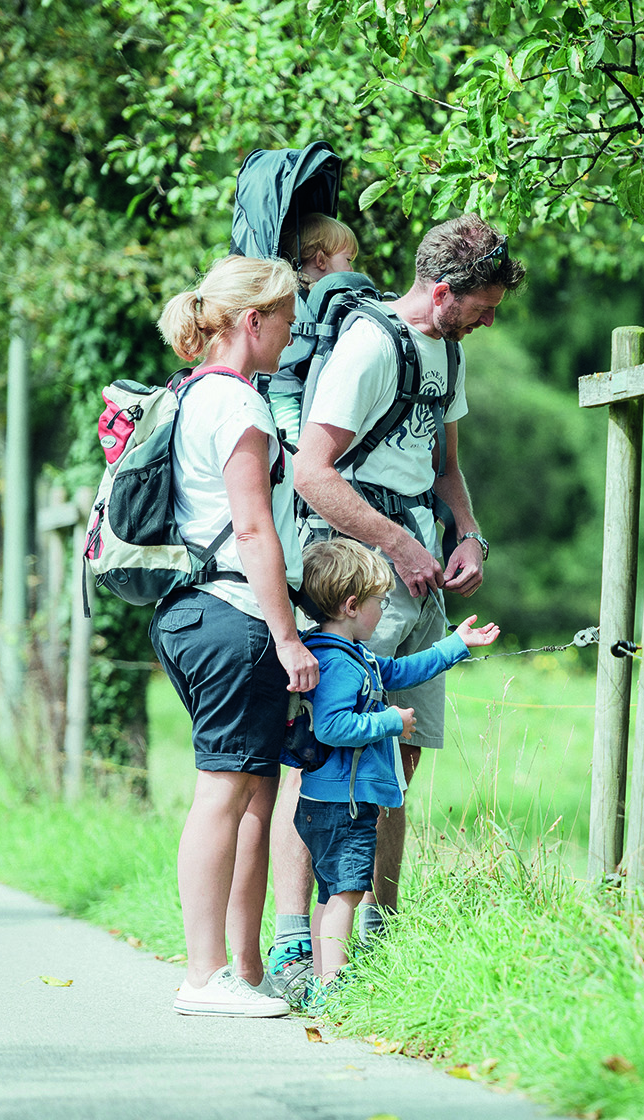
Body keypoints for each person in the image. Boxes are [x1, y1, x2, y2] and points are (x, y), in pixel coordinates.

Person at [265, 215, 526, 1002]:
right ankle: (293, 943)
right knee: (325, 764)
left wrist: (469, 536)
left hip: (417, 572)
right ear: (442, 290)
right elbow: (313, 472)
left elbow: (445, 467)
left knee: (397, 761)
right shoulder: (371, 346)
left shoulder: (450, 349)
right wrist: (398, 547)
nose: (491, 319)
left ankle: (379, 936)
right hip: (354, 571)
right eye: (483, 304)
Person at [152, 255, 319, 1018]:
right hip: (234, 618)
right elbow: (253, 529)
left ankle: (237, 969)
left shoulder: (193, 395)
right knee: (224, 790)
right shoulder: (242, 408)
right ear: (253, 321)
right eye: (286, 319)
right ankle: (203, 974)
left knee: (250, 788)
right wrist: (288, 637)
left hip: (193, 613)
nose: (293, 333)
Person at [290, 538, 498, 999]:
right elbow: (331, 726)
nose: (383, 611)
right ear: (350, 606)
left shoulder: (349, 655)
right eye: (378, 603)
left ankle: (322, 983)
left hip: (330, 801)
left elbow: (400, 673)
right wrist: (390, 721)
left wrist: (456, 645)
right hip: (343, 804)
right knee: (346, 893)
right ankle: (335, 988)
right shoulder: (338, 664)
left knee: (331, 895)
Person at [269, 213, 361, 443]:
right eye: (348, 260)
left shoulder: (316, 295)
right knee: (294, 446)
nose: (351, 270)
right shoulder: (289, 294)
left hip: (303, 390)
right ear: (321, 260)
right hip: (282, 392)